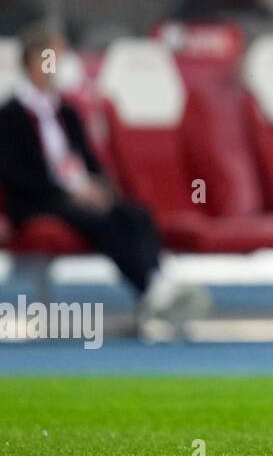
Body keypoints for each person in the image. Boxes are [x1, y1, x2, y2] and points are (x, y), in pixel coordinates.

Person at [0, 23, 192, 322]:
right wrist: (69, 193)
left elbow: (88, 159)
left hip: (79, 192)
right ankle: (150, 289)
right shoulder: (10, 116)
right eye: (53, 57)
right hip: (39, 199)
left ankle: (158, 283)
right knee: (102, 221)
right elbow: (14, 175)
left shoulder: (66, 111)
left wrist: (98, 187)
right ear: (35, 61)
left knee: (135, 214)